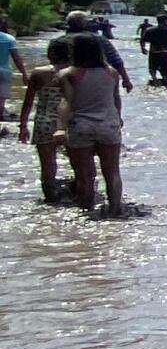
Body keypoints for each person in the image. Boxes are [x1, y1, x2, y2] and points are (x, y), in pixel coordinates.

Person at [60, 32, 124, 215]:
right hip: (108, 124)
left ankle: (87, 211)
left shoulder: (68, 74)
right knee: (112, 172)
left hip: (81, 125)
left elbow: (66, 102)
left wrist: (60, 128)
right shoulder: (112, 72)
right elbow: (116, 99)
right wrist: (118, 119)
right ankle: (115, 209)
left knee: (84, 175)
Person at [18, 36, 71, 203]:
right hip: (70, 123)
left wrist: (23, 126)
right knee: (79, 163)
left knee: (47, 165)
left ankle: (51, 199)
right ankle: (81, 196)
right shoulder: (75, 72)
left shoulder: (39, 73)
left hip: (43, 122)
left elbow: (27, 102)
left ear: (50, 54)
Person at [65, 10, 132, 93]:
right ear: (85, 23)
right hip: (96, 79)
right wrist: (126, 79)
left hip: (66, 79)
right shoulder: (97, 39)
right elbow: (115, 60)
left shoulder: (59, 41)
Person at [0, 19, 20, 111]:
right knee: (1, 99)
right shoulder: (9, 39)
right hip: (5, 71)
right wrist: (23, 73)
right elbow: (16, 58)